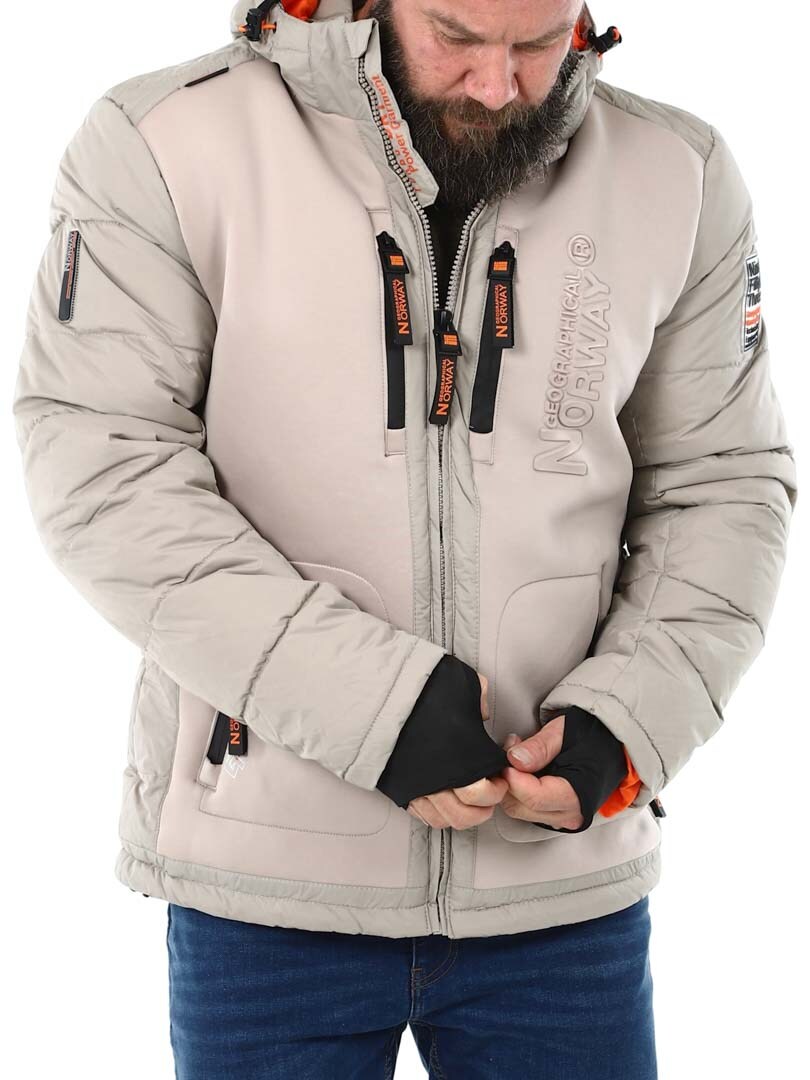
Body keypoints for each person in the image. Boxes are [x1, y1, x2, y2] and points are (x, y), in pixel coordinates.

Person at [11, 0, 796, 1076]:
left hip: (561, 896)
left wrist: (628, 727)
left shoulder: (677, 174)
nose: (498, 85)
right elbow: (102, 473)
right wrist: (376, 713)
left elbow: (724, 486)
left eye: (537, 45)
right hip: (270, 891)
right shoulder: (165, 144)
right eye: (458, 38)